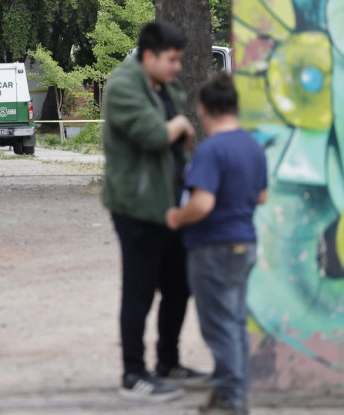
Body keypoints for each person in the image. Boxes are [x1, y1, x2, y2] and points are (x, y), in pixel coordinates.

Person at [101, 21, 209, 402]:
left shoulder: (160, 85)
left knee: (180, 285)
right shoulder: (123, 86)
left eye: (180, 59)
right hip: (137, 208)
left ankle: (169, 362)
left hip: (170, 205)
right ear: (149, 56)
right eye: (172, 59)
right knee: (140, 290)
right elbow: (152, 134)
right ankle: (133, 374)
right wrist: (179, 123)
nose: (178, 66)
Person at [166, 73, 267, 415]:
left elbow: (203, 203)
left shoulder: (211, 149)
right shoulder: (252, 145)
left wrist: (178, 216)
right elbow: (263, 196)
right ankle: (234, 393)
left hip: (214, 246)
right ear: (236, 108)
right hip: (245, 243)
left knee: (219, 326)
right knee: (235, 321)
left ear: (204, 110)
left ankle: (229, 399)